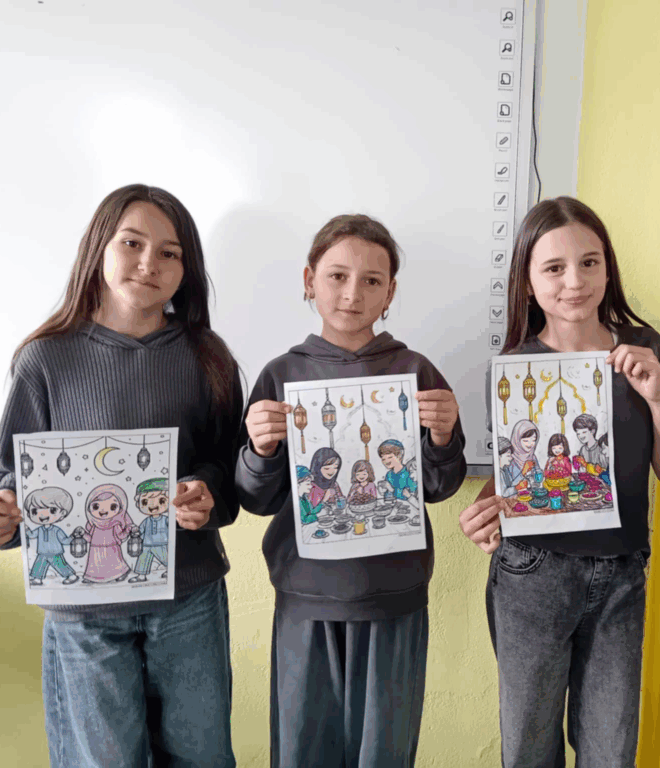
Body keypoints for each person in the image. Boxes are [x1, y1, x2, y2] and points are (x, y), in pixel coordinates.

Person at [0, 184, 243, 767]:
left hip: (187, 596)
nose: (149, 263)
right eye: (132, 243)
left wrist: (206, 493)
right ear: (98, 247)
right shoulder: (44, 358)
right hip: (83, 613)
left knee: (203, 756)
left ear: (186, 269)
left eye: (169, 252)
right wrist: (3, 513)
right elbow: (9, 477)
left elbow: (226, 464)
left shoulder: (208, 356)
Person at [458, 196, 660, 767]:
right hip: (532, 571)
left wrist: (659, 400)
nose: (575, 282)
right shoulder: (514, 367)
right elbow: (514, 476)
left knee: (612, 750)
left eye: (589, 263)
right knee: (529, 749)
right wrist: (486, 512)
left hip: (621, 573)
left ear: (608, 267)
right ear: (527, 281)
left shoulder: (643, 347)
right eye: (554, 268)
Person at [236, 213, 466, 767]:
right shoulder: (280, 374)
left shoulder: (415, 372)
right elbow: (255, 498)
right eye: (337, 276)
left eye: (371, 280)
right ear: (309, 280)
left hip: (393, 599)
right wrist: (260, 450)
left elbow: (439, 486)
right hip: (306, 597)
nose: (352, 294)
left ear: (390, 293)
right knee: (302, 749)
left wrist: (442, 436)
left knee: (384, 751)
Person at [23, 486, 79, 586]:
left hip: (55, 553)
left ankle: (71, 576)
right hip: (42, 552)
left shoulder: (56, 530)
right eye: (35, 511)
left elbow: (65, 541)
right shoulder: (39, 529)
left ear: (62, 513)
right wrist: (26, 529)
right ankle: (37, 579)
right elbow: (31, 535)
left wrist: (73, 536)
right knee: (39, 565)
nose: (42, 515)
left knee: (61, 565)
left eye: (52, 510)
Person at [130, 478, 170, 583]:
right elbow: (140, 530)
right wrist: (135, 531)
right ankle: (141, 576)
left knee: (166, 559)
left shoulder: (166, 519)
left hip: (161, 543)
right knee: (143, 559)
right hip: (146, 544)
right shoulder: (146, 521)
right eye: (145, 502)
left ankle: (170, 570)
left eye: (161, 501)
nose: (153, 506)